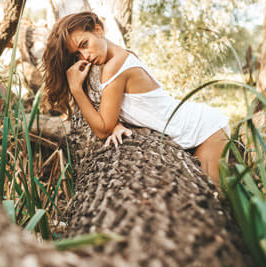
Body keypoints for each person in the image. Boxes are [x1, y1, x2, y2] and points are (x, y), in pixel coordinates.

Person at [42, 11, 229, 185]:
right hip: (187, 129)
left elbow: (102, 129)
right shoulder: (107, 63)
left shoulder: (114, 67)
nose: (85, 55)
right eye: (77, 53)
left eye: (84, 44)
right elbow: (108, 112)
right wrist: (117, 123)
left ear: (98, 30)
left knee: (213, 195)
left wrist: (76, 89)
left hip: (204, 129)